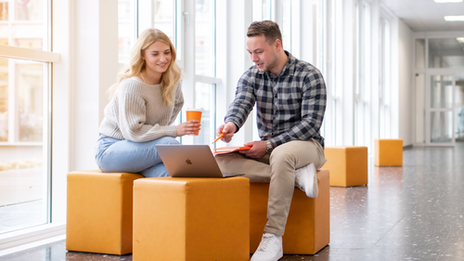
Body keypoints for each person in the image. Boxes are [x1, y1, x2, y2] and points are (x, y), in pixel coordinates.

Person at [215, 20, 327, 261]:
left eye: (259, 51)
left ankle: (273, 238)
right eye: (250, 53)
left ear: (277, 45)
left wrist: (269, 145)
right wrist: (231, 124)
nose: (254, 58)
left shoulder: (309, 75)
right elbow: (241, 103)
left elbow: (311, 125)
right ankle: (295, 176)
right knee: (220, 161)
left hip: (308, 146)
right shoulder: (252, 76)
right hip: (271, 150)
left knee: (282, 155)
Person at [95, 28, 200, 177]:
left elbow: (177, 105)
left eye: (166, 52)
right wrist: (174, 131)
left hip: (142, 147)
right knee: (170, 145)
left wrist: (157, 133)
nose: (163, 59)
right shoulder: (132, 86)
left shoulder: (172, 82)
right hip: (111, 148)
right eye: (155, 54)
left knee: (174, 174)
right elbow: (133, 132)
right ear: (143, 55)